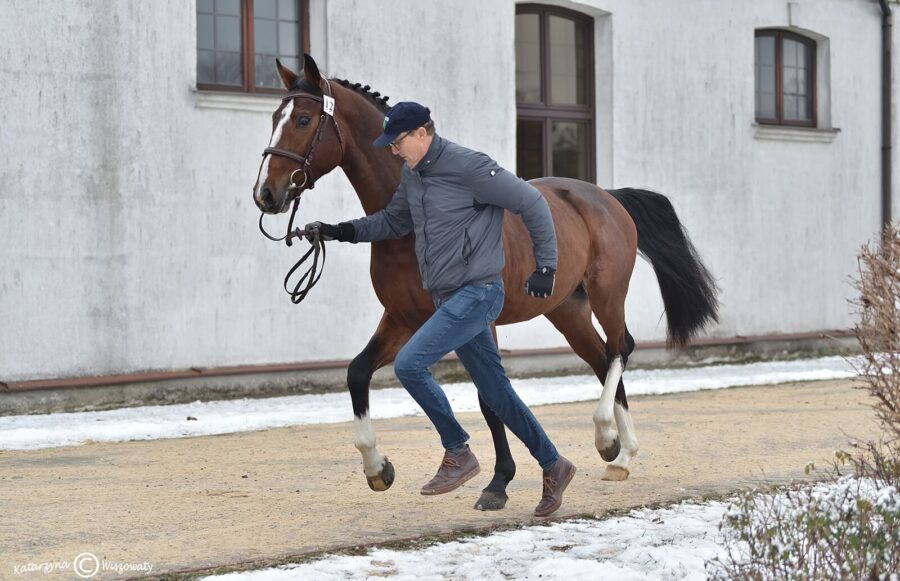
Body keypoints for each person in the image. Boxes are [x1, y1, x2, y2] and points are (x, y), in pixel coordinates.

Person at [304, 101, 576, 517]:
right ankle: (553, 464)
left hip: (478, 292)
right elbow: (393, 222)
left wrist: (546, 265)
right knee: (496, 392)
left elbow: (532, 202)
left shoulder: (470, 167)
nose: (393, 152)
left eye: (397, 143)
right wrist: (339, 231)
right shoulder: (414, 175)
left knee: (410, 364)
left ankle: (458, 452)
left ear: (422, 134)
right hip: (447, 296)